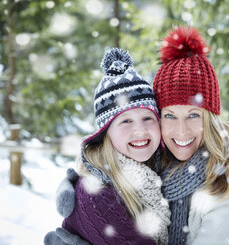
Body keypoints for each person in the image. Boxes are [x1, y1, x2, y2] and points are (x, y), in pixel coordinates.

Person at [47, 26, 229, 245]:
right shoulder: (163, 168)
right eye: (169, 116)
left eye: (193, 115)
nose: (181, 130)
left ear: (211, 117)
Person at [44, 48, 171, 245]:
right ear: (105, 133)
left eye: (148, 118)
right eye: (125, 121)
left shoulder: (157, 173)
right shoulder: (99, 196)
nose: (140, 130)